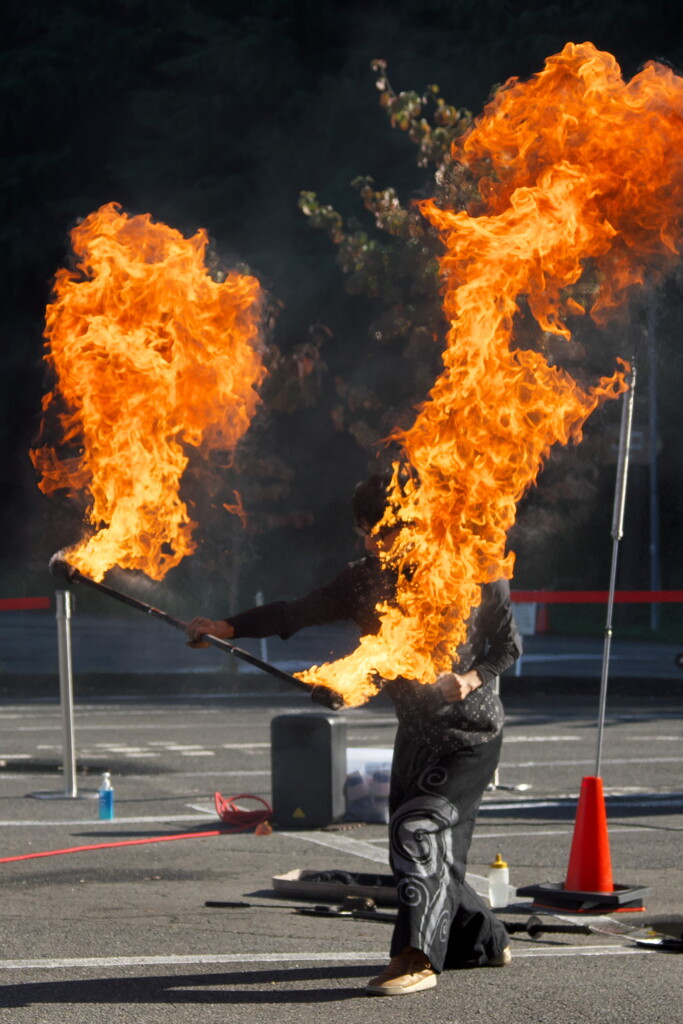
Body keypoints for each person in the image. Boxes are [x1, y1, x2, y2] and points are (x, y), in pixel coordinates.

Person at [186, 474, 522, 996]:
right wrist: (226, 627)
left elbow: (507, 646)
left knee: (418, 834)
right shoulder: (365, 578)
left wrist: (472, 678)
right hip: (416, 732)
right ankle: (485, 937)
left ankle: (415, 960)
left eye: (379, 532)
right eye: (364, 531)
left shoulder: (476, 567)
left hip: (470, 736)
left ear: (410, 523)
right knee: (418, 848)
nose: (369, 543)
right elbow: (294, 613)